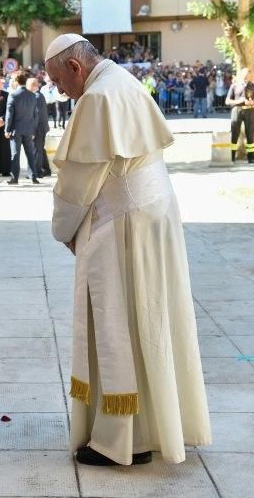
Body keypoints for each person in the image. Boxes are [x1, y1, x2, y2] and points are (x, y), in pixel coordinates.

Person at [44, 34, 211, 467]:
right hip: (151, 214)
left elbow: (78, 184)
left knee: (120, 324)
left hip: (124, 225)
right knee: (150, 322)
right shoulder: (124, 79)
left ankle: (124, 440)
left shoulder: (97, 99)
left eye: (59, 80)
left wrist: (64, 229)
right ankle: (156, 427)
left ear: (76, 68)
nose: (60, 90)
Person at [5, 71, 39, 184]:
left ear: (16, 81)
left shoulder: (13, 95)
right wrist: (34, 129)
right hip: (29, 129)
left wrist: (7, 129)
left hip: (16, 129)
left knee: (15, 154)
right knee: (30, 153)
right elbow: (35, 114)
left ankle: (15, 178)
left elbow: (9, 115)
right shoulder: (33, 95)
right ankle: (33, 176)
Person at [225, 68, 254, 163]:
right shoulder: (234, 85)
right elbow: (227, 101)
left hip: (250, 111)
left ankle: (251, 157)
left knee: (250, 134)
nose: (246, 77)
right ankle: (232, 156)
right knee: (235, 133)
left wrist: (253, 102)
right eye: (244, 75)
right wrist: (238, 101)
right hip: (237, 110)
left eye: (248, 75)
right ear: (241, 75)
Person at [28, 77, 51, 177]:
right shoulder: (38, 95)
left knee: (36, 150)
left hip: (38, 129)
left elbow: (36, 116)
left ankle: (37, 172)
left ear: (33, 86)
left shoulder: (36, 97)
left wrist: (32, 131)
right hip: (42, 128)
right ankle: (46, 169)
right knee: (40, 149)